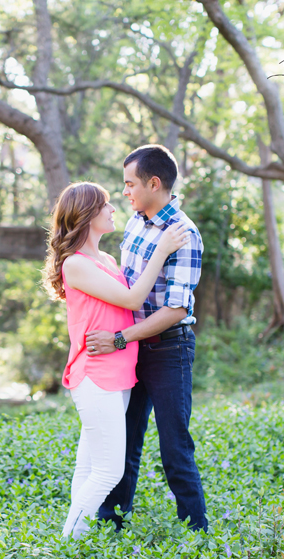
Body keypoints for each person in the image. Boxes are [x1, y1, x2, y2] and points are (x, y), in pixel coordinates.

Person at [43, 181, 191, 539]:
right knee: (109, 471)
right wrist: (162, 248)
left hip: (118, 373)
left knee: (89, 465)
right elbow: (131, 299)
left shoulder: (106, 260)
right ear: (87, 215)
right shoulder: (76, 265)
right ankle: (67, 543)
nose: (113, 210)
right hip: (95, 375)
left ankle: (73, 543)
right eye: (106, 205)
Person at [85, 144, 208, 532]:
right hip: (130, 348)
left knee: (175, 447)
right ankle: (111, 528)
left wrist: (118, 338)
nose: (125, 192)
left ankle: (197, 535)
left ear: (154, 183)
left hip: (169, 349)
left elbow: (174, 310)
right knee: (123, 441)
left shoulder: (184, 235)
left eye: (130, 184)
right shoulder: (137, 220)